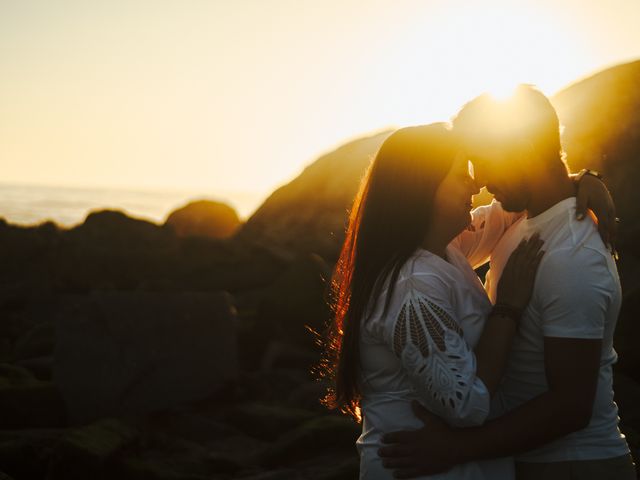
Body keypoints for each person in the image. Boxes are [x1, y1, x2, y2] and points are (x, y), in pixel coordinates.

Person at [322, 121, 614, 479]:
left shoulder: (445, 247)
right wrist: (507, 308)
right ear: (424, 191)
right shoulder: (413, 285)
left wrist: (580, 180)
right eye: (462, 175)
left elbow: (518, 201)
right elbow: (467, 405)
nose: (476, 185)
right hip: (421, 468)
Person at [378, 86, 634, 480]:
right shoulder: (519, 218)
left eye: (481, 160)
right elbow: (424, 229)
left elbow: (571, 406)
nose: (478, 180)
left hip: (574, 466)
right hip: (528, 460)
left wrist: (455, 449)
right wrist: (581, 177)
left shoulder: (572, 255)